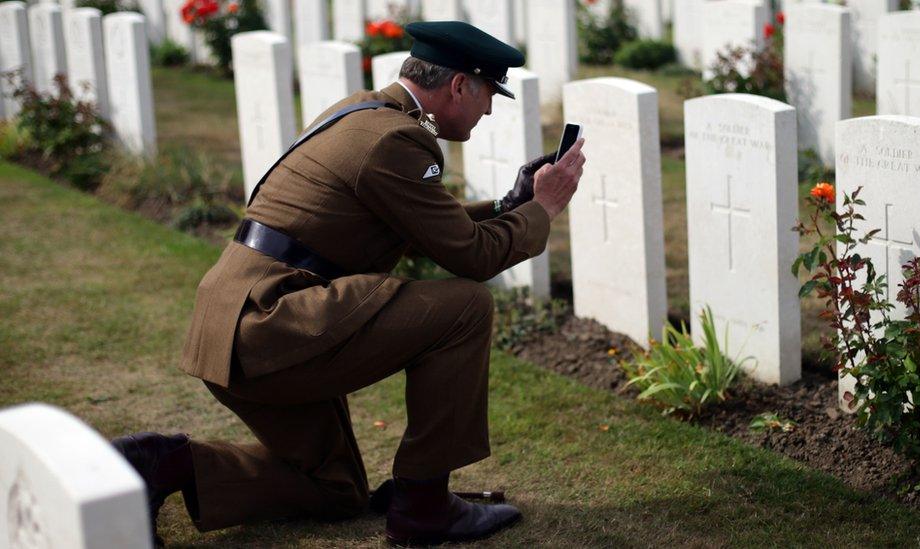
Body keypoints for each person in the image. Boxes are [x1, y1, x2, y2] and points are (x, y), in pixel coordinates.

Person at [111, 20, 585, 546]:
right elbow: (471, 257)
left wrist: (508, 204)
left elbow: (426, 222)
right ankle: (425, 506)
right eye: (488, 95)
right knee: (467, 306)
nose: (489, 109)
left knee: (335, 491)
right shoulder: (397, 141)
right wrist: (543, 209)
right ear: (457, 85)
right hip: (271, 326)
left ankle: (164, 463)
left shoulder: (362, 113)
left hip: (234, 327)